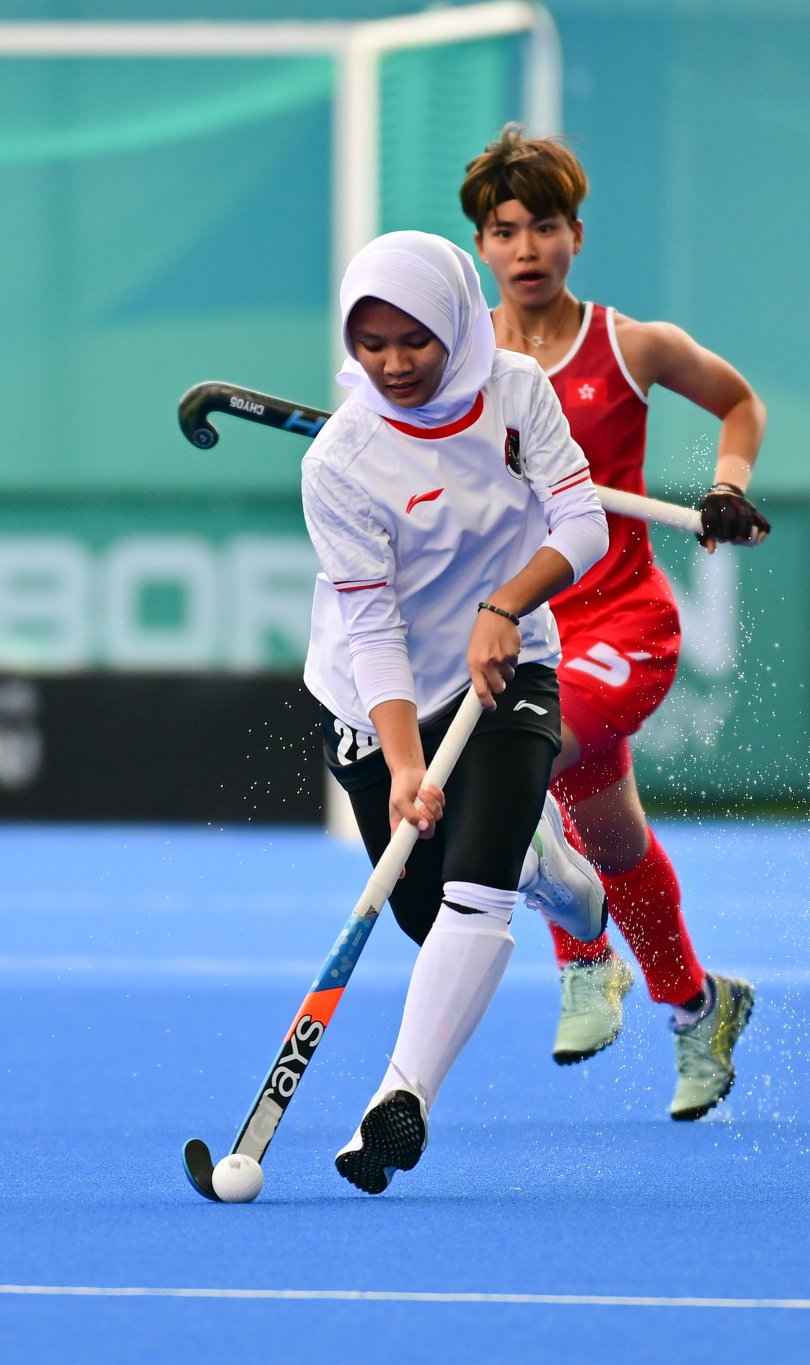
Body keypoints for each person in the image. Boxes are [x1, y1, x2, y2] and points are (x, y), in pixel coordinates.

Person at [461, 125, 769, 1120]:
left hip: (623, 622)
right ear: (479, 247)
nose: (524, 249)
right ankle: (696, 1005)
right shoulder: (456, 360)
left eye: (542, 227)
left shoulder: (631, 346)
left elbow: (738, 404)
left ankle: (583, 952)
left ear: (575, 235)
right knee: (609, 834)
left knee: (521, 760)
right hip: (525, 628)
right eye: (503, 231)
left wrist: (726, 485)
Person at [305, 231, 612, 1194]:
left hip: (510, 664)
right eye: (372, 344)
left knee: (474, 890)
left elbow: (583, 522)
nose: (393, 365)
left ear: (457, 326)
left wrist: (506, 605)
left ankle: (398, 1101)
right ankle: (548, 863)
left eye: (416, 340)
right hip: (378, 694)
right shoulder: (338, 463)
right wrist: (402, 764)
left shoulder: (516, 391)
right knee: (424, 913)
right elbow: (371, 627)